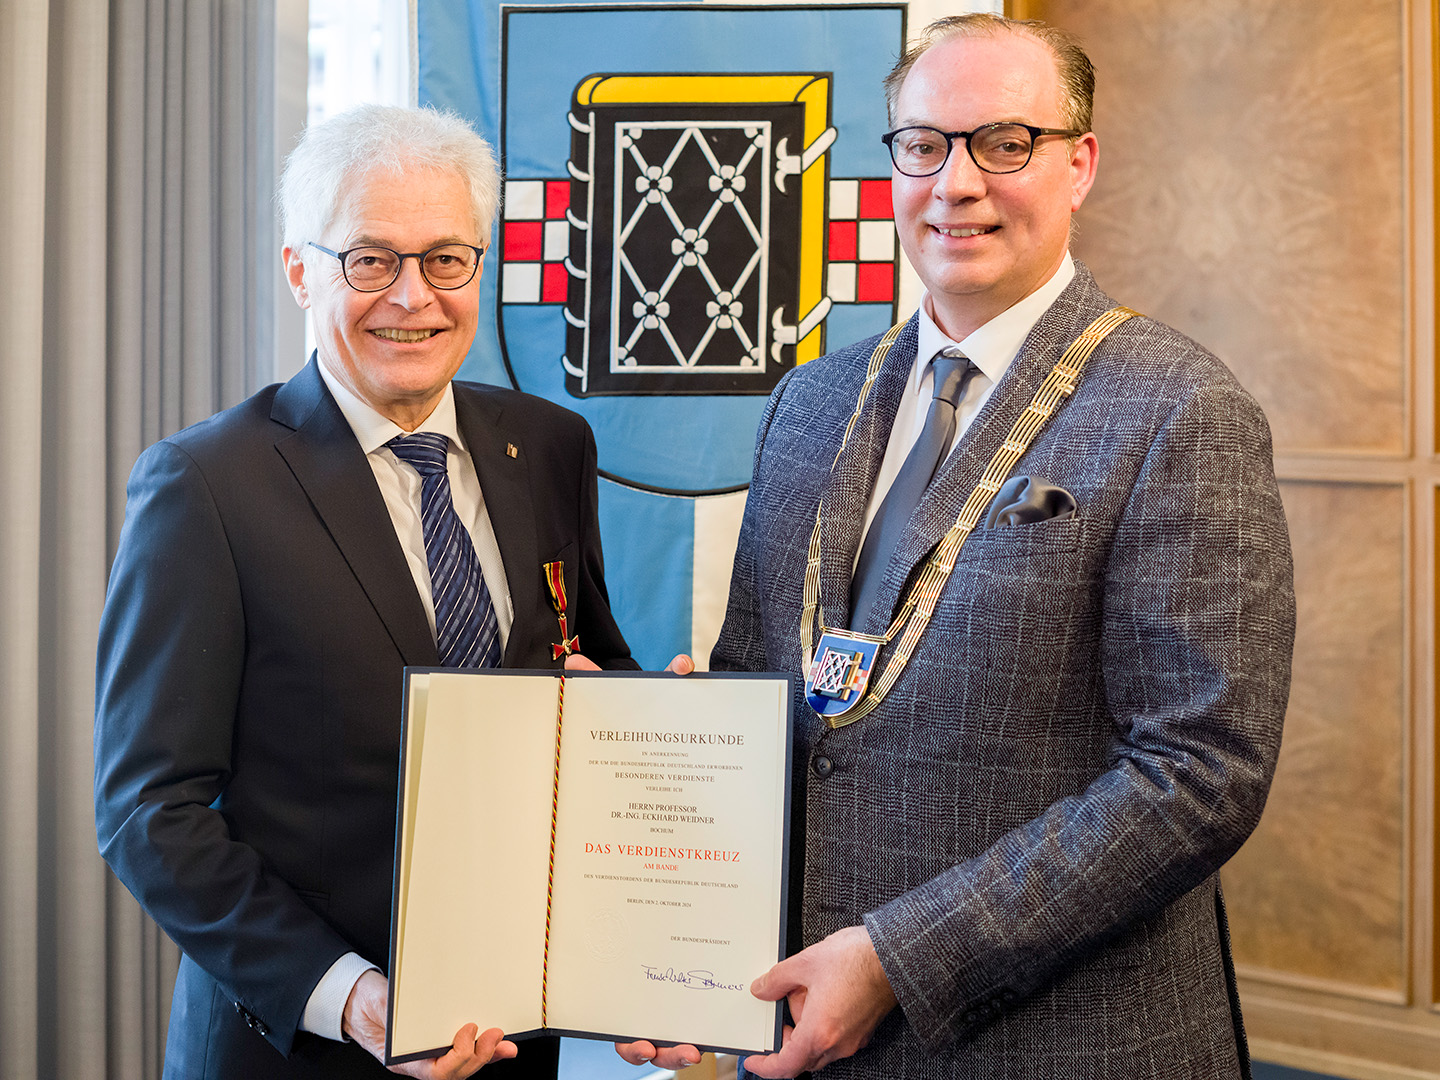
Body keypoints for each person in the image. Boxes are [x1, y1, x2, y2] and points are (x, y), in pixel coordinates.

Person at [619, 13, 1295, 1080]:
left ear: (1080, 164)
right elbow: (766, 686)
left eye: (1005, 143)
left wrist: (898, 957)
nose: (958, 182)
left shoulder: (1183, 409)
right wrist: (677, 931)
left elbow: (1200, 771)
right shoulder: (811, 401)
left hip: (1063, 1045)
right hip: (813, 1038)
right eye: (925, 144)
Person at [94, 104, 643, 1080]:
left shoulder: (551, 447)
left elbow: (587, 665)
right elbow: (149, 811)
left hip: (516, 1038)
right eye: (371, 260)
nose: (414, 298)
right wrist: (351, 997)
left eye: (446, 259)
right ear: (301, 270)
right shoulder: (205, 486)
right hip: (304, 1047)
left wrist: (650, 732)